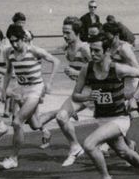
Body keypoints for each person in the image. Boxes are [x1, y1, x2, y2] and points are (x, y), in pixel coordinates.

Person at [72, 34, 139, 179]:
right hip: (102, 118)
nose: (93, 54)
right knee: (124, 152)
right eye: (91, 50)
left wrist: (134, 97)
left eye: (97, 50)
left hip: (120, 118)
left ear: (106, 52)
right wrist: (88, 97)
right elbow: (75, 96)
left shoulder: (117, 68)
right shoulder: (87, 69)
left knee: (89, 144)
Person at [34, 16, 100, 166]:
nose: (64, 35)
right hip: (81, 92)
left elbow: (99, 73)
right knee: (61, 116)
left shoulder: (85, 49)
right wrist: (74, 75)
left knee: (114, 136)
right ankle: (75, 147)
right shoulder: (67, 50)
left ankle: (129, 147)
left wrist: (77, 74)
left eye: (68, 32)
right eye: (63, 32)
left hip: (97, 91)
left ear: (77, 32)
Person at [0, 25, 60, 170]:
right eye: (11, 41)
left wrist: (49, 83)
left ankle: (13, 158)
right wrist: (4, 91)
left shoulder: (35, 51)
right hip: (21, 91)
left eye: (16, 41)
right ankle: (59, 114)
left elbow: (56, 62)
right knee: (35, 125)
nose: (14, 44)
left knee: (17, 122)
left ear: (23, 38)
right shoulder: (9, 52)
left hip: (35, 90)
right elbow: (7, 72)